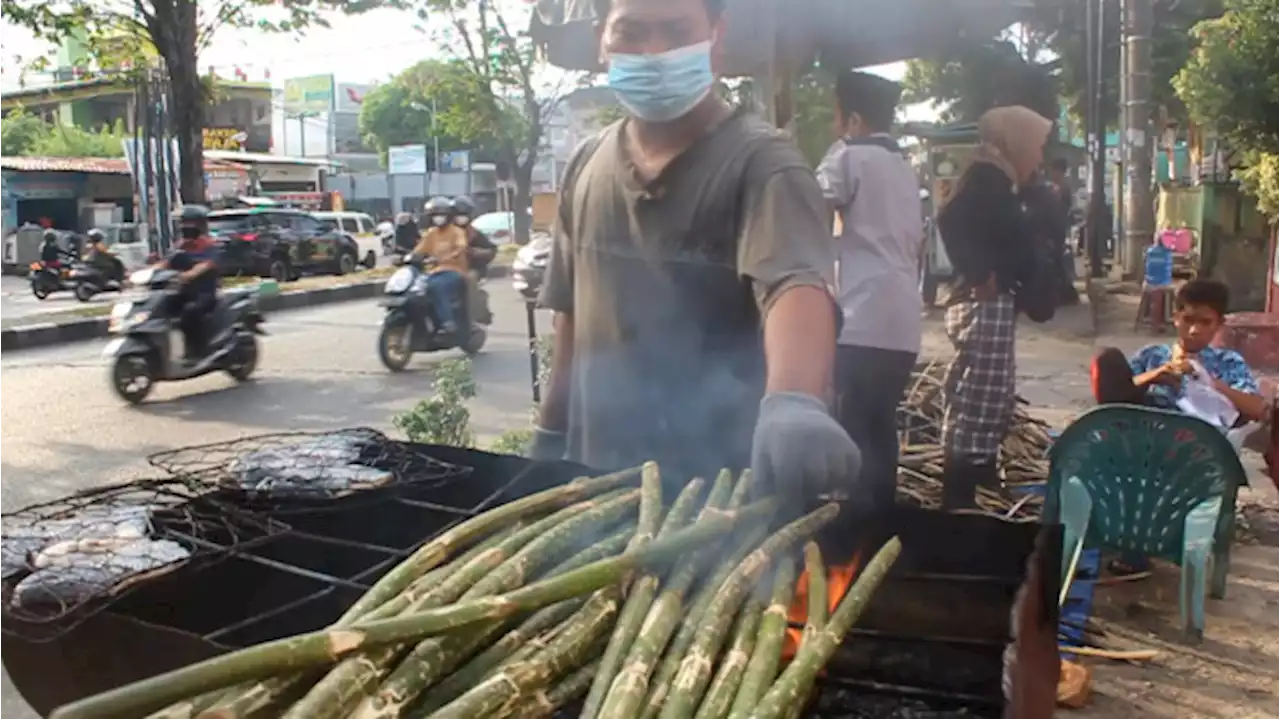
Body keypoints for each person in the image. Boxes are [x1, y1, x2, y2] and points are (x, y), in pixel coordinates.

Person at [527, 0, 861, 505]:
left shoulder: (763, 164)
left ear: (716, 37)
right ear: (602, 39)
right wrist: (551, 431)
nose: (655, 51)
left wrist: (793, 398)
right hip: (595, 491)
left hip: (716, 507)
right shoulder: (585, 165)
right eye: (632, 31)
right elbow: (569, 315)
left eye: (676, 31)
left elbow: (793, 286)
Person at [816, 70, 923, 513]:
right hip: (904, 325)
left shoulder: (848, 156)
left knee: (853, 430)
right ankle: (881, 523)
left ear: (854, 119)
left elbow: (810, 205)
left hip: (862, 319)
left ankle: (853, 535)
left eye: (836, 117)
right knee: (880, 429)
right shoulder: (904, 167)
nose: (833, 126)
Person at [936, 105, 1051, 510]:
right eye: (1036, 146)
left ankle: (975, 486)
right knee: (977, 397)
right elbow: (948, 218)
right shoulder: (985, 178)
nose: (1039, 156)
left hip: (994, 303)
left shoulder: (998, 178)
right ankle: (960, 496)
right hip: (983, 305)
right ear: (1014, 143)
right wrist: (980, 273)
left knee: (991, 394)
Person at [1091, 279, 1268, 423]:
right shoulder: (1151, 355)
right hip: (1145, 444)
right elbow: (1117, 393)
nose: (1194, 330)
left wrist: (1208, 382)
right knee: (1107, 358)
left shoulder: (1227, 361)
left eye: (1205, 322)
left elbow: (1257, 408)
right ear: (1176, 319)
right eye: (1188, 320)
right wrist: (1155, 375)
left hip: (1203, 450)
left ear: (1219, 324)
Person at [155, 206, 221, 363]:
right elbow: (165, 263)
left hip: (204, 294)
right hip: (183, 292)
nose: (186, 228)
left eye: (190, 224)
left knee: (189, 313)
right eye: (183, 224)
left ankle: (198, 350)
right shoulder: (181, 246)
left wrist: (188, 274)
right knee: (159, 308)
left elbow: (206, 265)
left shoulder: (209, 245)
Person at [413, 196, 470, 334]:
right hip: (434, 272)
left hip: (455, 271)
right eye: (435, 215)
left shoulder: (457, 232)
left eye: (441, 215)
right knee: (416, 288)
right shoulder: (431, 233)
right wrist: (407, 257)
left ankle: (448, 321)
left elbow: (460, 248)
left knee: (437, 286)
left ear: (448, 216)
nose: (438, 218)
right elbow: (419, 249)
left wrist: (445, 258)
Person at [451, 195, 498, 280]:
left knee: (469, 278)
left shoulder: (474, 233)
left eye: (464, 215)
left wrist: (476, 252)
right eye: (458, 215)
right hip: (448, 268)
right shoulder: (443, 233)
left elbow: (492, 250)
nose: (460, 218)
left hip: (472, 268)